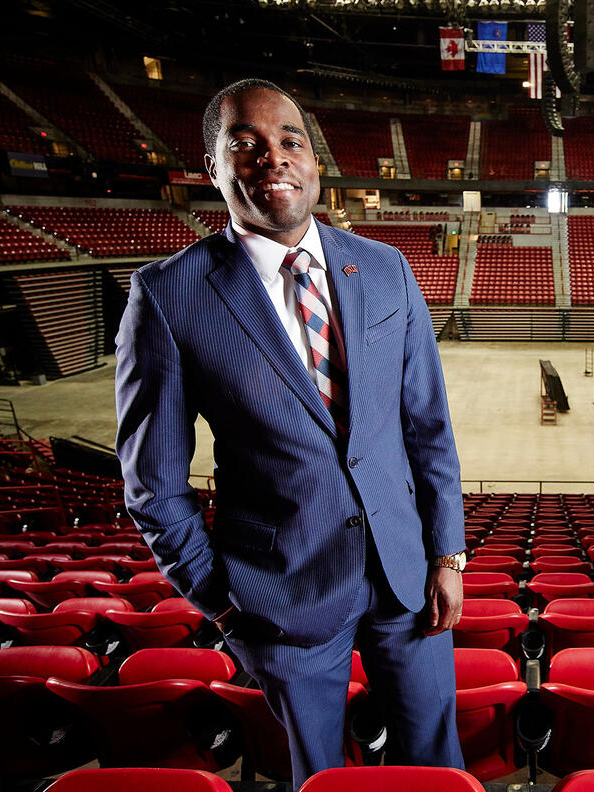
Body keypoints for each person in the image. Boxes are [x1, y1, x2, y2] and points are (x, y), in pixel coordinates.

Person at [114, 79, 465, 788]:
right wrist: (221, 600)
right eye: (245, 143)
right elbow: (153, 484)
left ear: (313, 161)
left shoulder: (386, 268)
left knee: (435, 766)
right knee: (316, 777)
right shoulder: (169, 294)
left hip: (406, 576)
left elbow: (427, 424)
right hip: (279, 595)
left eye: (289, 140)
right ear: (214, 168)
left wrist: (447, 553)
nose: (272, 157)